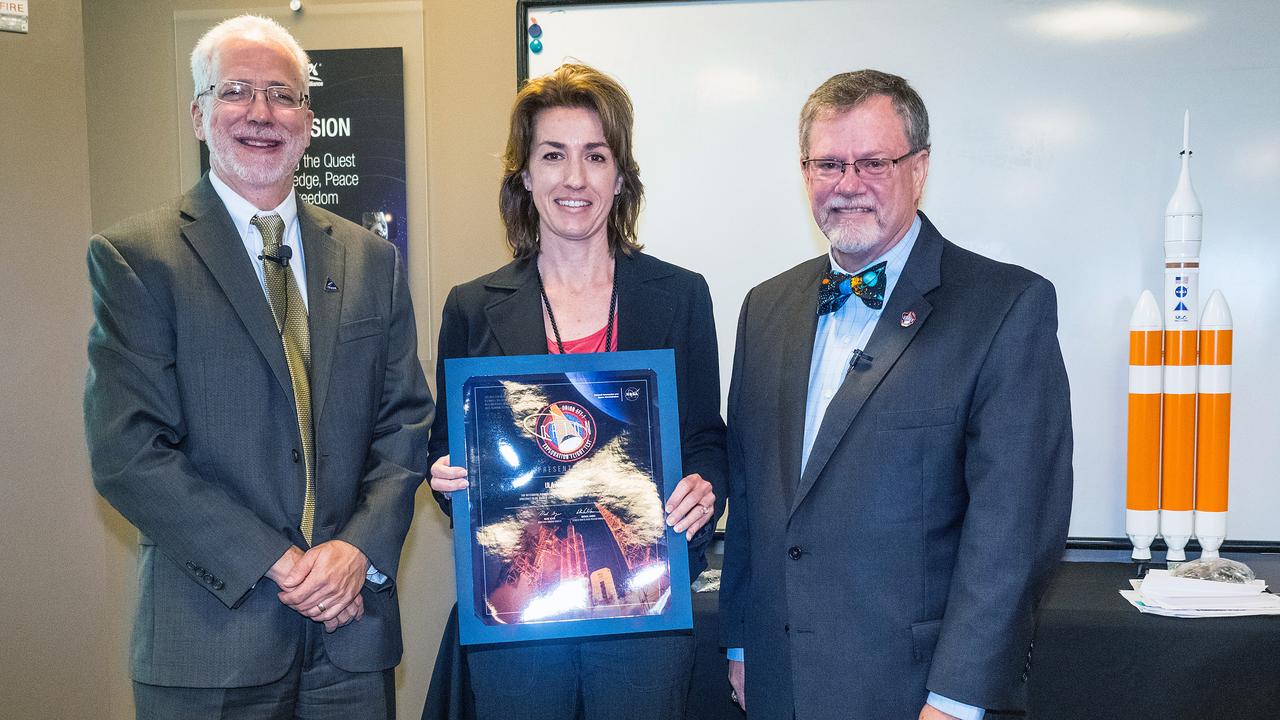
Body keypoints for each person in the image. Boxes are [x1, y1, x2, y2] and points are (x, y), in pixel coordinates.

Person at [84, 15, 432, 719]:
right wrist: (281, 563)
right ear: (198, 114)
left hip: (350, 638)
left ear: (307, 120)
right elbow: (129, 452)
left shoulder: (371, 261)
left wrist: (353, 552)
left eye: (283, 94)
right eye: (236, 90)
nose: (261, 113)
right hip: (209, 642)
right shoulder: (137, 259)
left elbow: (405, 423)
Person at [719, 69, 1073, 719]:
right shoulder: (763, 309)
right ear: (804, 173)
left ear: (921, 168)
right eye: (828, 162)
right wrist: (741, 640)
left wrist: (957, 699)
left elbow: (1014, 533)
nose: (848, 184)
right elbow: (750, 495)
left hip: (915, 697)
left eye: (874, 161)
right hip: (779, 680)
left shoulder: (1006, 308)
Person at [424, 63, 727, 719]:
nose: (575, 178)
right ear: (525, 174)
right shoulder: (473, 307)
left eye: (596, 155)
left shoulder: (679, 296)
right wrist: (449, 478)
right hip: (521, 622)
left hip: (645, 613)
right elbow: (447, 452)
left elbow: (705, 437)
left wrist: (704, 486)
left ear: (620, 177)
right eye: (553, 155)